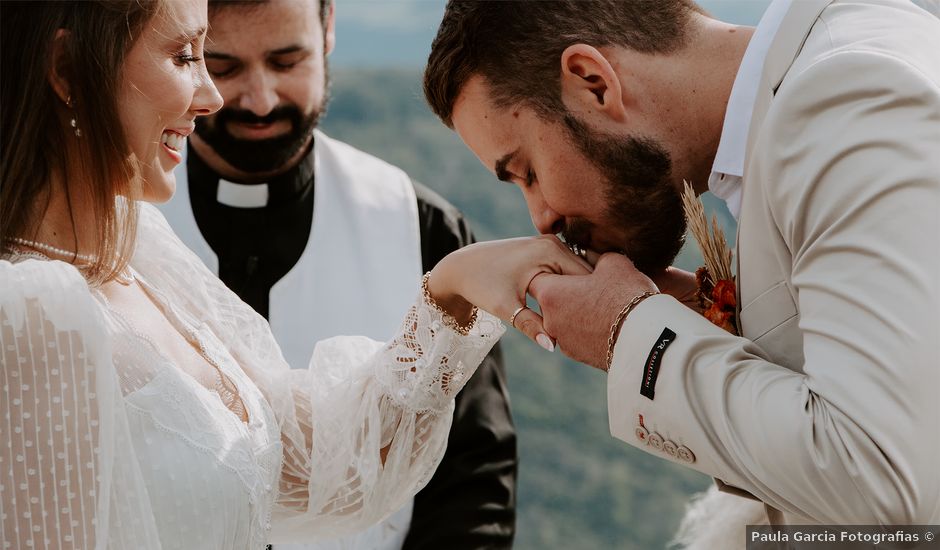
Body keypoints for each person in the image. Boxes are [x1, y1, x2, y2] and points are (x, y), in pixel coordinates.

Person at [0, 1, 588, 548]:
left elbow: (308, 465)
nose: (216, 98)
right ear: (67, 69)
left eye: (285, 60)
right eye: (187, 57)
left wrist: (452, 288)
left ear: (327, 30)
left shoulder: (140, 249)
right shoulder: (28, 314)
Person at [422, 0, 940, 542]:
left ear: (592, 82)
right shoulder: (821, 88)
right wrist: (711, 336)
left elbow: (883, 487)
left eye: (527, 171)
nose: (542, 219)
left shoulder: (845, 100)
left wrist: (629, 334)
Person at [157, 1, 518, 547]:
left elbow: (473, 480)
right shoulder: (111, 224)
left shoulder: (424, 228)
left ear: (327, 33)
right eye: (223, 67)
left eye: (286, 62)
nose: (260, 100)